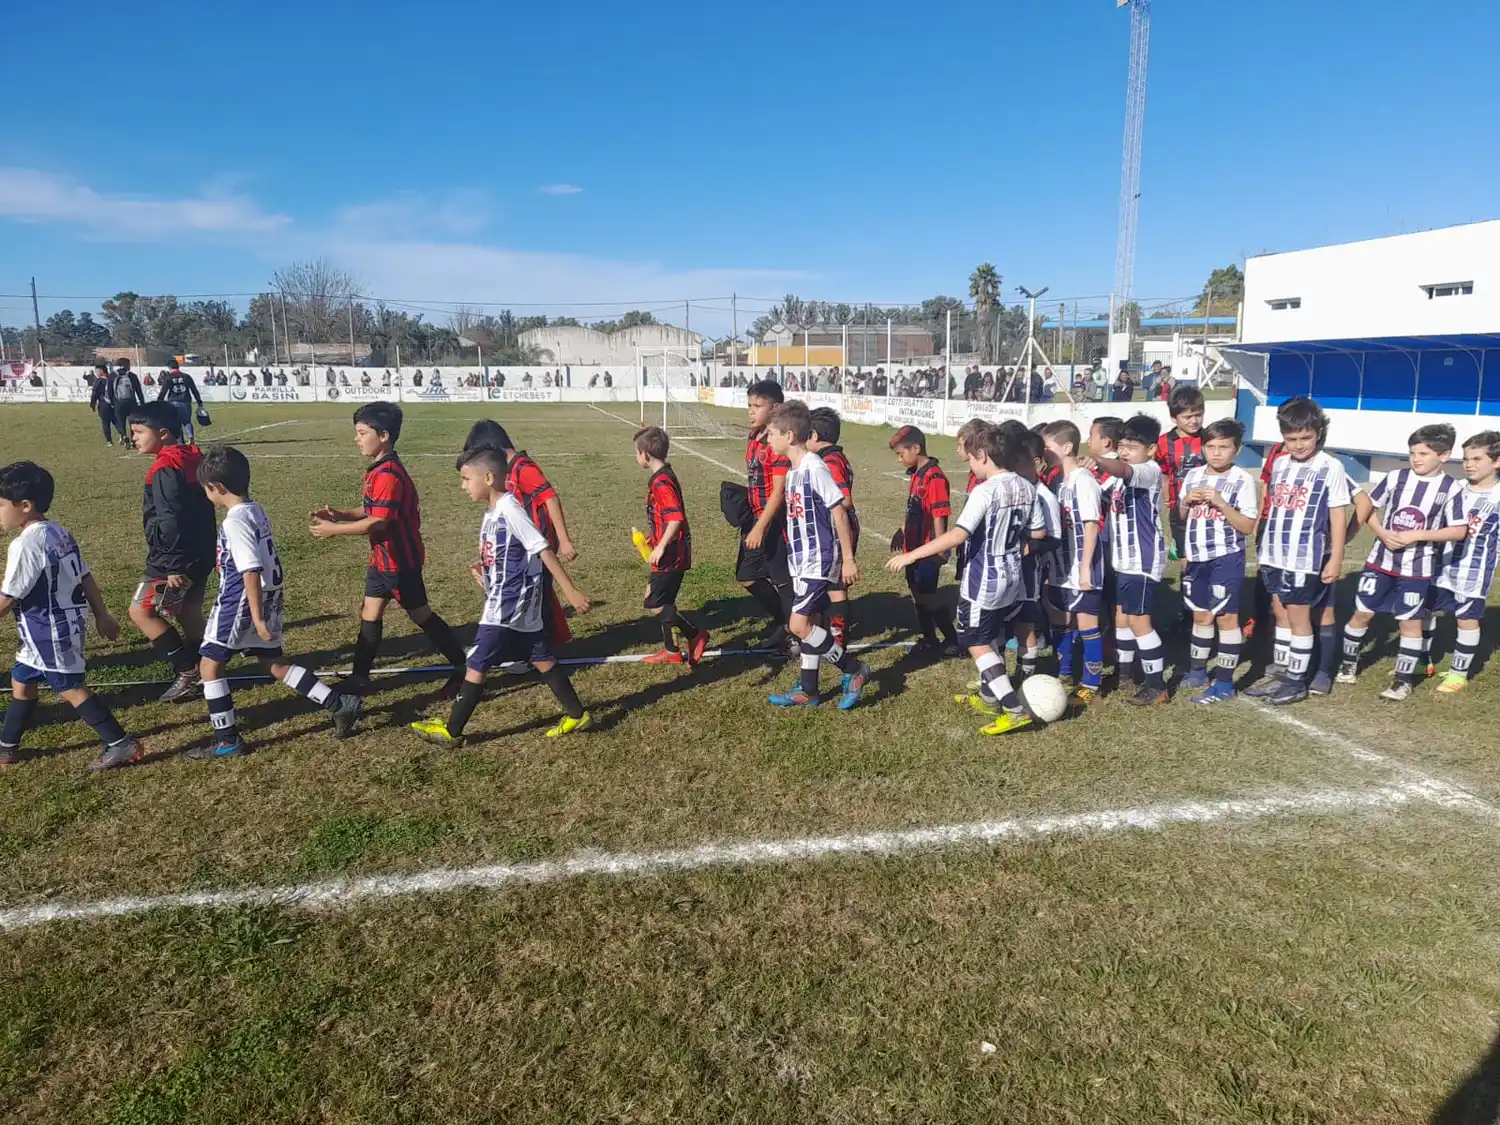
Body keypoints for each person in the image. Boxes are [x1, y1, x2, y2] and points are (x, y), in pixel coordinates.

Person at [186, 446, 363, 759]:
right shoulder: (255, 510)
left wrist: (255, 617)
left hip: (239, 600)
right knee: (273, 663)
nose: (206, 496)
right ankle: (338, 703)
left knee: (209, 665)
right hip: (268, 596)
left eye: (206, 490)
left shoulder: (234, 522)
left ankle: (227, 740)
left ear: (218, 488)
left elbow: (250, 569)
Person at [409, 446, 593, 746]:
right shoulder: (493, 514)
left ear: (490, 477)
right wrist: (488, 577)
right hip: (508, 597)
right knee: (540, 655)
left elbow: (541, 547)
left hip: (509, 604)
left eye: (467, 479)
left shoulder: (510, 508)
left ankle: (452, 731)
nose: (463, 486)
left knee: (477, 660)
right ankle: (576, 713)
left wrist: (569, 590)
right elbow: (509, 556)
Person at [888, 424, 1040, 736]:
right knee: (991, 634)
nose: (969, 465)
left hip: (983, 580)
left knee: (975, 641)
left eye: (971, 459)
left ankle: (1014, 709)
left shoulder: (986, 490)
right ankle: (988, 697)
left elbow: (958, 534)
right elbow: (1037, 533)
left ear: (984, 456)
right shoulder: (1027, 487)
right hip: (1012, 577)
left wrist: (912, 555)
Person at [308, 402, 469, 697]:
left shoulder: (389, 475)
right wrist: (341, 515)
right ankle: (359, 678)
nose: (356, 439)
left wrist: (334, 530)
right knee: (370, 613)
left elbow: (378, 523)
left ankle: (464, 668)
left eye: (362, 432)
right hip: (382, 559)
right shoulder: (378, 470)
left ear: (383, 436)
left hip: (400, 562)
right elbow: (372, 510)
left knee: (421, 615)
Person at [0, 461, 142, 771]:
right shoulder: (59, 532)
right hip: (59, 625)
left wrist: (103, 614)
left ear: (25, 506)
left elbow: (7, 599)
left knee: (70, 687)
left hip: (48, 629)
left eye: (0, 505)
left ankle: (120, 743)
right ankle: (6, 747)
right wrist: (102, 614)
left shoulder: (25, 545)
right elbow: (85, 576)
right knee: (22, 681)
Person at [1338, 424, 1464, 700]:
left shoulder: (1451, 489)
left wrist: (1418, 535)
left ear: (1444, 456)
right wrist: (1382, 532)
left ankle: (1402, 680)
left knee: (1409, 623)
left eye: (1423, 453)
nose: (1416, 458)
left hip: (1417, 569)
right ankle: (1348, 664)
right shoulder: (1396, 478)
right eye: (1412, 453)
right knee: (1362, 613)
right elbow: (1367, 508)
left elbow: (1458, 529)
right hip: (1379, 563)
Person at [764, 401, 869, 711]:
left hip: (817, 558)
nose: (767, 440)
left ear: (789, 434)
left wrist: (847, 558)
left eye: (771, 434)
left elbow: (838, 510)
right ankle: (808, 689)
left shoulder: (814, 466)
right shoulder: (795, 471)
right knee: (808, 621)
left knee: (798, 626)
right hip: (800, 561)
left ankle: (854, 670)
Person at [1246, 397, 1352, 705]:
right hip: (1274, 554)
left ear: (1318, 433)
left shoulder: (1330, 466)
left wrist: (1336, 557)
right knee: (1279, 611)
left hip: (1305, 557)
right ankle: (1280, 672)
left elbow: (1337, 514)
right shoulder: (1279, 463)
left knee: (1299, 616)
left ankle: (1296, 681)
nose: (1299, 445)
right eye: (1292, 439)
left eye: (1306, 437)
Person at [126, 402, 218, 704]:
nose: (134, 438)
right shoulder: (195, 457)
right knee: (188, 610)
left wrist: (171, 565)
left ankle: (187, 668)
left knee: (140, 611)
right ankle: (211, 669)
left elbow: (169, 519)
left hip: (172, 558)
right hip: (201, 551)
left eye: (139, 432)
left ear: (163, 433)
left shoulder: (165, 468)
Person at [1085, 414, 1169, 706]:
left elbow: (1121, 468)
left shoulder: (1148, 470)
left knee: (1138, 621)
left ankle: (1157, 685)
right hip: (1124, 560)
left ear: (1150, 450)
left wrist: (1099, 460)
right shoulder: (1119, 476)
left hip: (1143, 560)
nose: (1124, 452)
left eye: (1132, 446)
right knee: (1121, 616)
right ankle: (1124, 675)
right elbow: (1099, 489)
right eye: (1121, 446)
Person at [1176, 419, 1259, 704]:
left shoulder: (1243, 480)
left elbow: (1248, 526)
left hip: (1226, 558)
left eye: (1224, 447)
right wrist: (1186, 501)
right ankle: (1197, 670)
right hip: (1197, 558)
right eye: (1210, 446)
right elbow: (1182, 517)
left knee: (1226, 617)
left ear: (1236, 450)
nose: (1216, 453)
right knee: (1200, 614)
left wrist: (1222, 504)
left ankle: (1224, 682)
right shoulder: (1193, 475)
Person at [1429, 431, 1500, 692]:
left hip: (1474, 570)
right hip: (1441, 566)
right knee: (1426, 610)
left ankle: (1459, 674)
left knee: (1466, 619)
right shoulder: (1455, 489)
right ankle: (1421, 660)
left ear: (1497, 461)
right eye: (1466, 458)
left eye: (1477, 458)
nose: (1469, 464)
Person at [1040, 421, 1105, 704]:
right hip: (1058, 566)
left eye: (1047, 447)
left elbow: (1091, 525)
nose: (1043, 453)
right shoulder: (1057, 481)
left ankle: (1092, 683)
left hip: (1081, 565)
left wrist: (1085, 567)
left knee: (1087, 624)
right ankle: (1064, 672)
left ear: (1066, 447)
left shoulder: (1084, 480)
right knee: (1060, 620)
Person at [634, 426, 708, 666]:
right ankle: (671, 650)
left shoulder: (662, 483)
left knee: (654, 602)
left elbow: (675, 517)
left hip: (671, 554)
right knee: (661, 600)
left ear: (645, 454)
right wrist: (653, 539)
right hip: (670, 550)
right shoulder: (663, 475)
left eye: (636, 452)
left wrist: (661, 546)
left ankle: (695, 635)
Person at [888, 425, 959, 654]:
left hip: (928, 550)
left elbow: (939, 514)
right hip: (913, 549)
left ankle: (951, 639)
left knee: (928, 597)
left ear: (916, 448)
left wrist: (940, 548)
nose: (899, 460)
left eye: (901, 454)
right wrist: (902, 529)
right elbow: (915, 509)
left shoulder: (934, 477)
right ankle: (929, 638)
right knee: (918, 595)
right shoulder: (917, 474)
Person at [739, 380, 794, 648]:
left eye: (758, 406)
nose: (751, 411)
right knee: (747, 575)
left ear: (776, 408)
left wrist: (761, 526)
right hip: (756, 518)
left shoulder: (777, 443)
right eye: (749, 405)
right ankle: (784, 622)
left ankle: (795, 633)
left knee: (783, 580)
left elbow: (779, 492)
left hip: (775, 521)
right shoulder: (753, 437)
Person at [1156, 384, 1208, 632]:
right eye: (1188, 416)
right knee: (1187, 562)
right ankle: (1188, 613)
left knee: (1208, 560)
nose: (1195, 420)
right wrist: (1168, 499)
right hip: (1181, 512)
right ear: (1174, 417)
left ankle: (1211, 608)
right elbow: (1164, 473)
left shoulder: (1211, 438)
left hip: (1209, 513)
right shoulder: (1165, 443)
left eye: (1198, 414)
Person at [807, 407, 857, 648]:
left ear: (814, 435)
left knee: (836, 586)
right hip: (834, 530)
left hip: (838, 532)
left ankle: (837, 640)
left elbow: (844, 500)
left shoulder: (830, 461)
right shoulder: (832, 457)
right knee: (831, 584)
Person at [157, 360, 205, 443]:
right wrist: (199, 402)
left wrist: (159, 402)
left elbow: (163, 391)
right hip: (186, 401)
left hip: (173, 402)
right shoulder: (186, 376)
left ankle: (181, 442)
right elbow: (194, 390)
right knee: (187, 421)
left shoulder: (168, 377)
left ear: (169, 368)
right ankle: (191, 435)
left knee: (176, 423)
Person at [108, 358, 145, 443]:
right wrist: (142, 402)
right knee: (133, 421)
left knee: (120, 420)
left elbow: (110, 390)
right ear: (127, 365)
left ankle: (124, 436)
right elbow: (138, 390)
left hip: (118, 402)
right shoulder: (132, 375)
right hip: (131, 402)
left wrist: (112, 402)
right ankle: (134, 439)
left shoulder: (113, 375)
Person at [88, 362, 119, 444]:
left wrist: (92, 404)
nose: (96, 373)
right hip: (114, 404)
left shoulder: (98, 381)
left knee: (105, 422)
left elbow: (95, 393)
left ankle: (109, 441)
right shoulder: (112, 379)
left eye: (97, 371)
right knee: (115, 421)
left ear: (101, 371)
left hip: (103, 404)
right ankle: (123, 436)